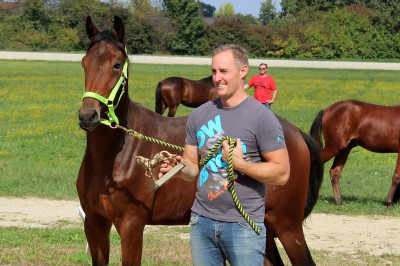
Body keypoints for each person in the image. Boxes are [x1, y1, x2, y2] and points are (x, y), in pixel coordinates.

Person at [159, 44, 290, 266]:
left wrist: (241, 164)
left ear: (243, 71)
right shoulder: (199, 115)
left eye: (224, 71)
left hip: (243, 226)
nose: (217, 78)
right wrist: (179, 168)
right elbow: (192, 167)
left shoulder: (262, 118)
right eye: (214, 71)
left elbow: (282, 173)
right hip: (202, 222)